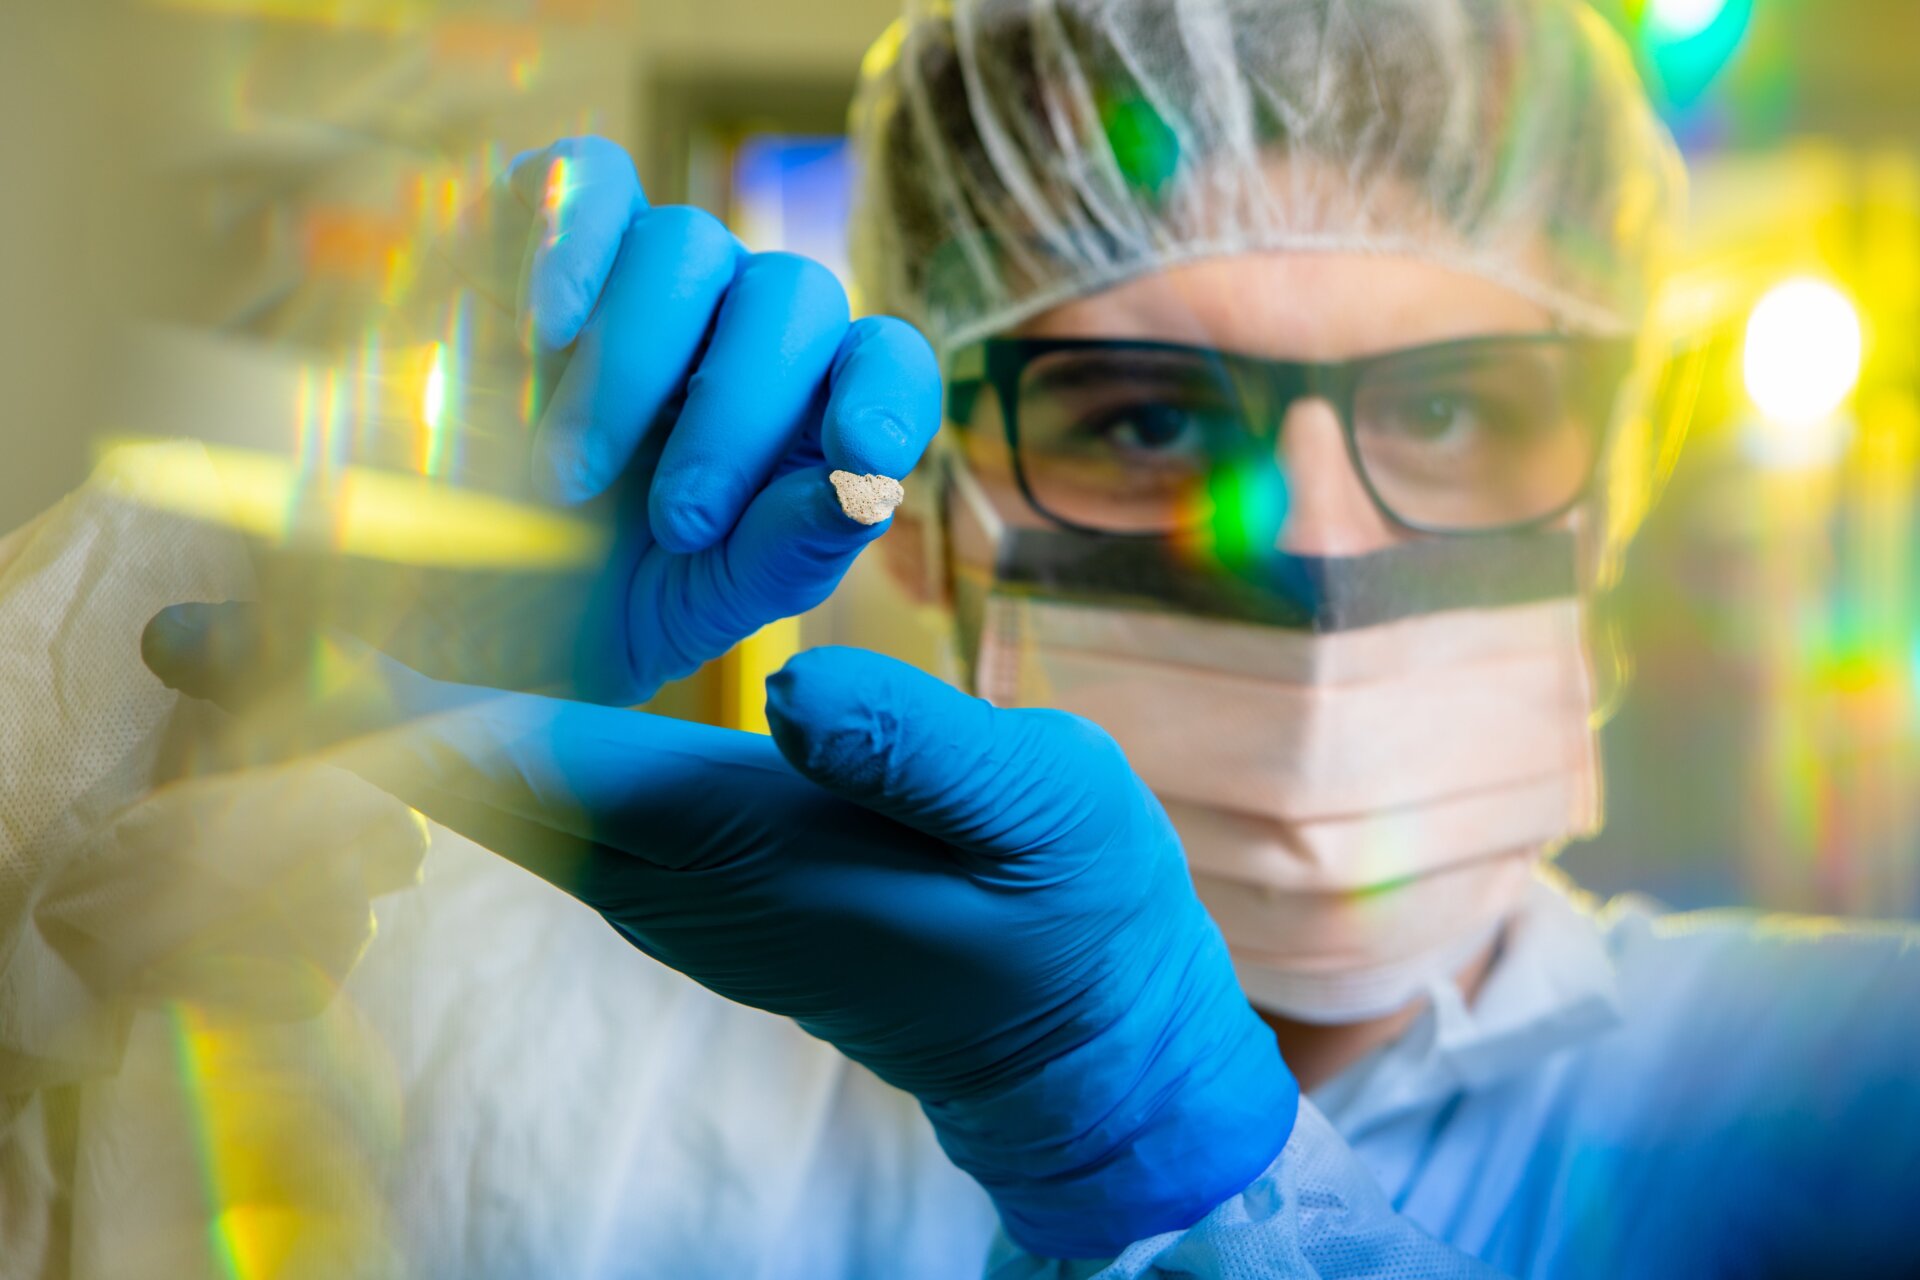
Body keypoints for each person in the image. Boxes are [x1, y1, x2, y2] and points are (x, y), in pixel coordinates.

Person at [7, 2, 1919, 1278]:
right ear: (927, 494)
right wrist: (266, 634)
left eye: (1448, 410)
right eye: (1146, 419)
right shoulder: (528, 1056)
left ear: (1624, 462)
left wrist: (1183, 1172)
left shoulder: (1837, 1098)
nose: (1317, 555)